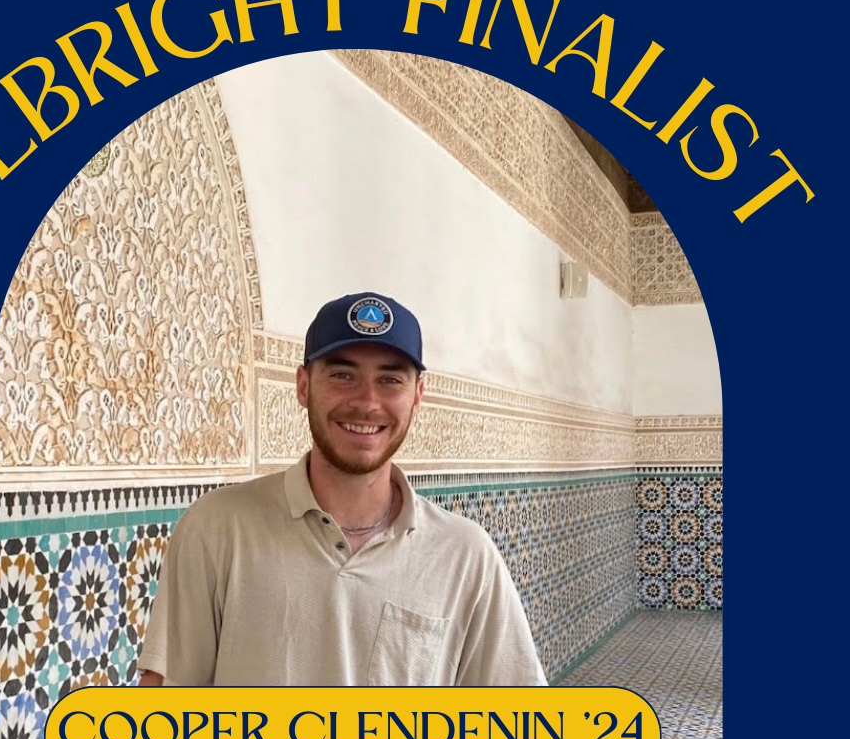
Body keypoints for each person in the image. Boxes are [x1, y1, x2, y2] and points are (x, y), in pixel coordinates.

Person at [137, 292, 547, 687]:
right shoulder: (219, 527)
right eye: (342, 375)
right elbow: (166, 696)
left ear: (417, 396)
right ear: (303, 386)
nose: (367, 402)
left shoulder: (465, 555)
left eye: (390, 380)